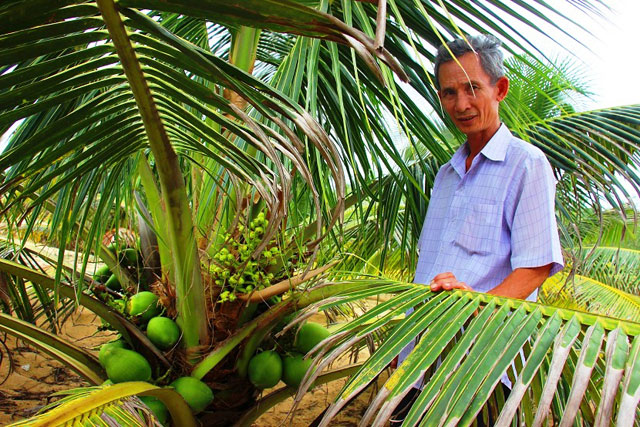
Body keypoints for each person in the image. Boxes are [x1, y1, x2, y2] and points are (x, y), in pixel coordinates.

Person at [391, 34, 564, 425]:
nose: (462, 104)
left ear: (499, 88)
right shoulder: (446, 175)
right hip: (420, 359)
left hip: (481, 364)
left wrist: (476, 305)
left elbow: (536, 267)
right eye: (449, 93)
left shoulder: (526, 164)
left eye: (472, 89)